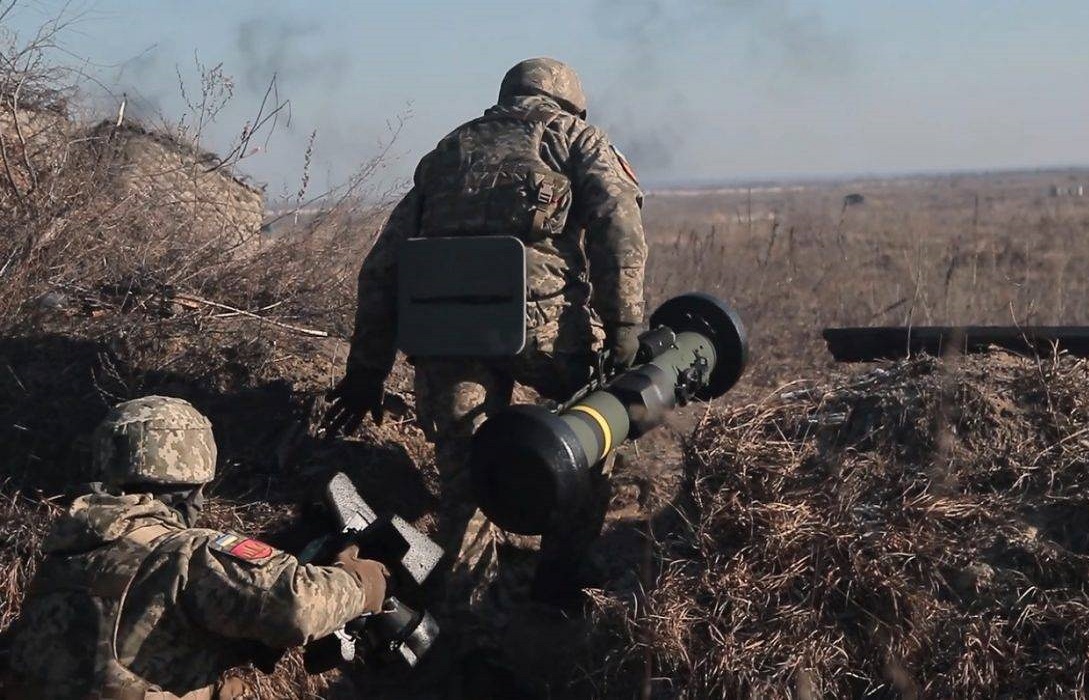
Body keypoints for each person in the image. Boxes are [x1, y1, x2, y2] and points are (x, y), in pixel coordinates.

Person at [322, 57, 648, 603]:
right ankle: (558, 582)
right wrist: (625, 325)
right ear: (569, 99)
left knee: (465, 478)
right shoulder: (574, 137)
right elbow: (619, 225)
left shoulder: (448, 150)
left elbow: (383, 268)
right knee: (596, 431)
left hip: (449, 337)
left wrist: (366, 374)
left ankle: (474, 620)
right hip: (544, 327)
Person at [3, 396, 389, 700]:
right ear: (193, 479)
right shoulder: (186, 553)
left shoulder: (66, 556)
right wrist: (361, 582)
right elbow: (299, 605)